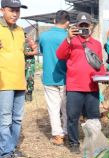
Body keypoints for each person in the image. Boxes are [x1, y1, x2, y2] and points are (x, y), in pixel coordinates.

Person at [56, 12, 105, 153]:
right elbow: (60, 55)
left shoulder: (96, 44)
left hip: (92, 87)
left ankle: (94, 143)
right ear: (76, 26)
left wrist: (102, 77)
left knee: (93, 117)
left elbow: (99, 65)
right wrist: (68, 39)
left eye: (86, 25)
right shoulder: (72, 41)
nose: (84, 28)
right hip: (74, 87)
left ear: (91, 26)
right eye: (81, 25)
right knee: (73, 117)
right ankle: (73, 143)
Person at [0, 0, 28, 158]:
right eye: (12, 10)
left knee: (17, 119)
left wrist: (31, 51)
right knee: (5, 119)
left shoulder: (20, 30)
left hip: (19, 81)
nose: (15, 13)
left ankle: (10, 148)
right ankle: (4, 154)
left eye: (18, 10)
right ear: (2, 9)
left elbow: (21, 53)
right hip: (4, 82)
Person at [39, 10, 70, 146]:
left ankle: (58, 136)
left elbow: (42, 51)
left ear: (54, 21)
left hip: (49, 77)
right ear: (68, 23)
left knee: (53, 108)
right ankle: (67, 132)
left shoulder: (44, 36)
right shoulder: (69, 37)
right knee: (66, 108)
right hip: (66, 77)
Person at [24, 35, 38, 102]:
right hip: (19, 63)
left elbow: (36, 51)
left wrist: (27, 53)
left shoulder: (30, 40)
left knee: (29, 79)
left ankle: (29, 95)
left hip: (29, 63)